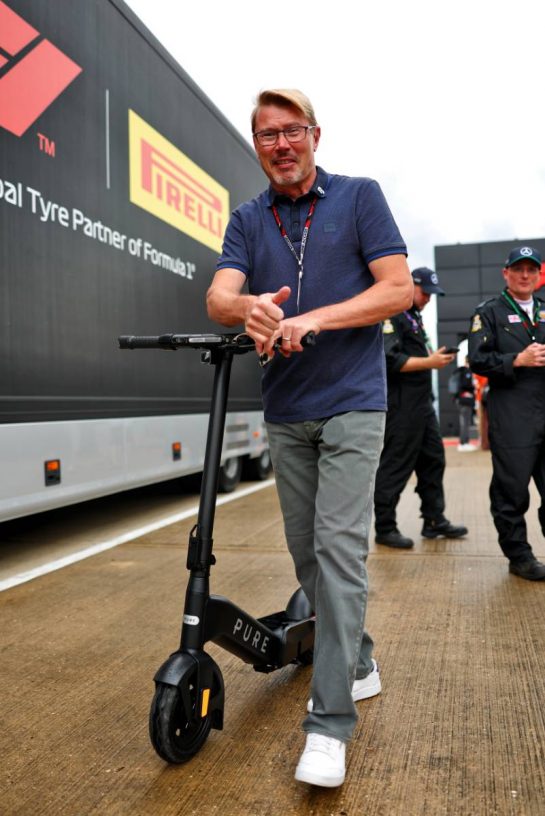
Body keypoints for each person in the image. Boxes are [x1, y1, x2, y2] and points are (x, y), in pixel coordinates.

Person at [207, 88, 413, 787]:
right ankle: (356, 656)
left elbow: (397, 291)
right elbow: (218, 297)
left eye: (292, 131)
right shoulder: (246, 219)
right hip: (286, 409)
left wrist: (314, 318)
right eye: (267, 135)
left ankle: (327, 728)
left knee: (338, 549)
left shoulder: (359, 197)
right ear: (257, 145)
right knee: (307, 559)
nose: (281, 144)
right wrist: (249, 307)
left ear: (314, 136)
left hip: (354, 402)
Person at [373, 267, 469, 549]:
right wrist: (430, 362)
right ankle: (385, 527)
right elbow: (390, 359)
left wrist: (431, 358)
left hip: (422, 404)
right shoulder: (391, 314)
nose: (428, 298)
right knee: (396, 464)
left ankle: (434, 519)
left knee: (433, 459)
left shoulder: (413, 316)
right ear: (410, 285)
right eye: (425, 292)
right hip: (401, 404)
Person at [468, 246, 545, 581]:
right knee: (511, 491)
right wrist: (515, 360)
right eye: (518, 269)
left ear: (539, 275)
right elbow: (477, 359)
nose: (525, 276)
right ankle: (519, 556)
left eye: (531, 270)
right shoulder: (489, 312)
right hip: (512, 415)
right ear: (506, 273)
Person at [453, 356, 476, 451]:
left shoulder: (460, 371)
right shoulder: (466, 372)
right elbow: (466, 385)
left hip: (460, 400)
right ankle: (464, 443)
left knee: (464, 421)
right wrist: (473, 387)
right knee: (465, 422)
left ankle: (463, 442)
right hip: (465, 400)